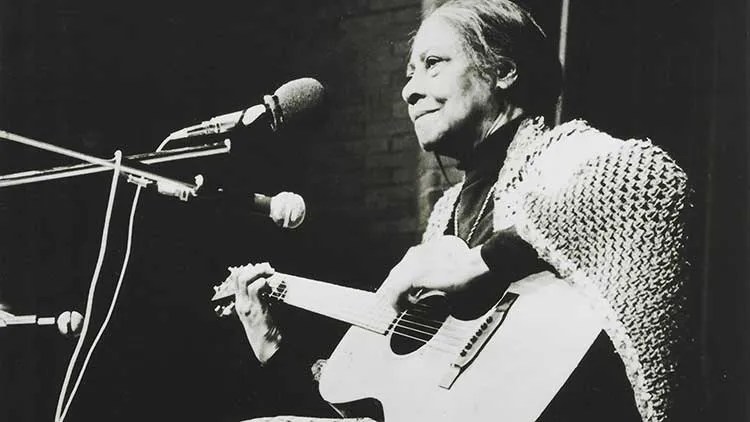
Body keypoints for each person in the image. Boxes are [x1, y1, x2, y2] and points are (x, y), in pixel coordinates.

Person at [230, 1, 689, 421]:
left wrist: (484, 260)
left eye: (432, 64)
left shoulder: (561, 155)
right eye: (408, 74)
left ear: (503, 70)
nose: (410, 91)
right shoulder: (447, 214)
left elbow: (651, 181)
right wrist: (274, 346)